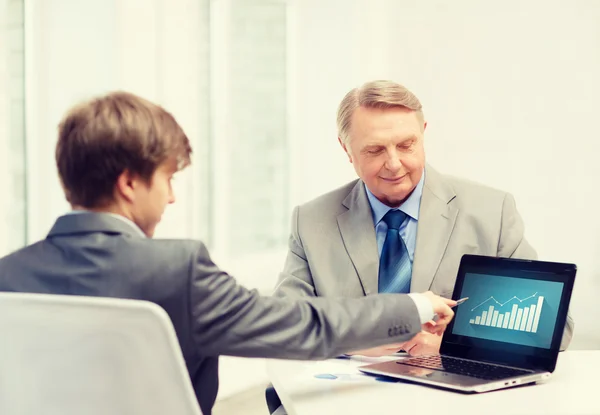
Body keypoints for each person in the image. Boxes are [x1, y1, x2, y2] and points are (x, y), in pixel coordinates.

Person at [0, 91, 456, 415]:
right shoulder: (177, 271)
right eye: (167, 179)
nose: (172, 198)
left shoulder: (9, 276)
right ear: (129, 184)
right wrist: (415, 306)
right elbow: (303, 326)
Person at [273, 80, 574, 357]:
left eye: (406, 145)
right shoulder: (311, 222)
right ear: (346, 149)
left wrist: (450, 344)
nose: (394, 164)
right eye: (375, 150)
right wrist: (355, 341)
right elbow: (281, 327)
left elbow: (556, 330)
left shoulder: (491, 212)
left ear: (423, 134)